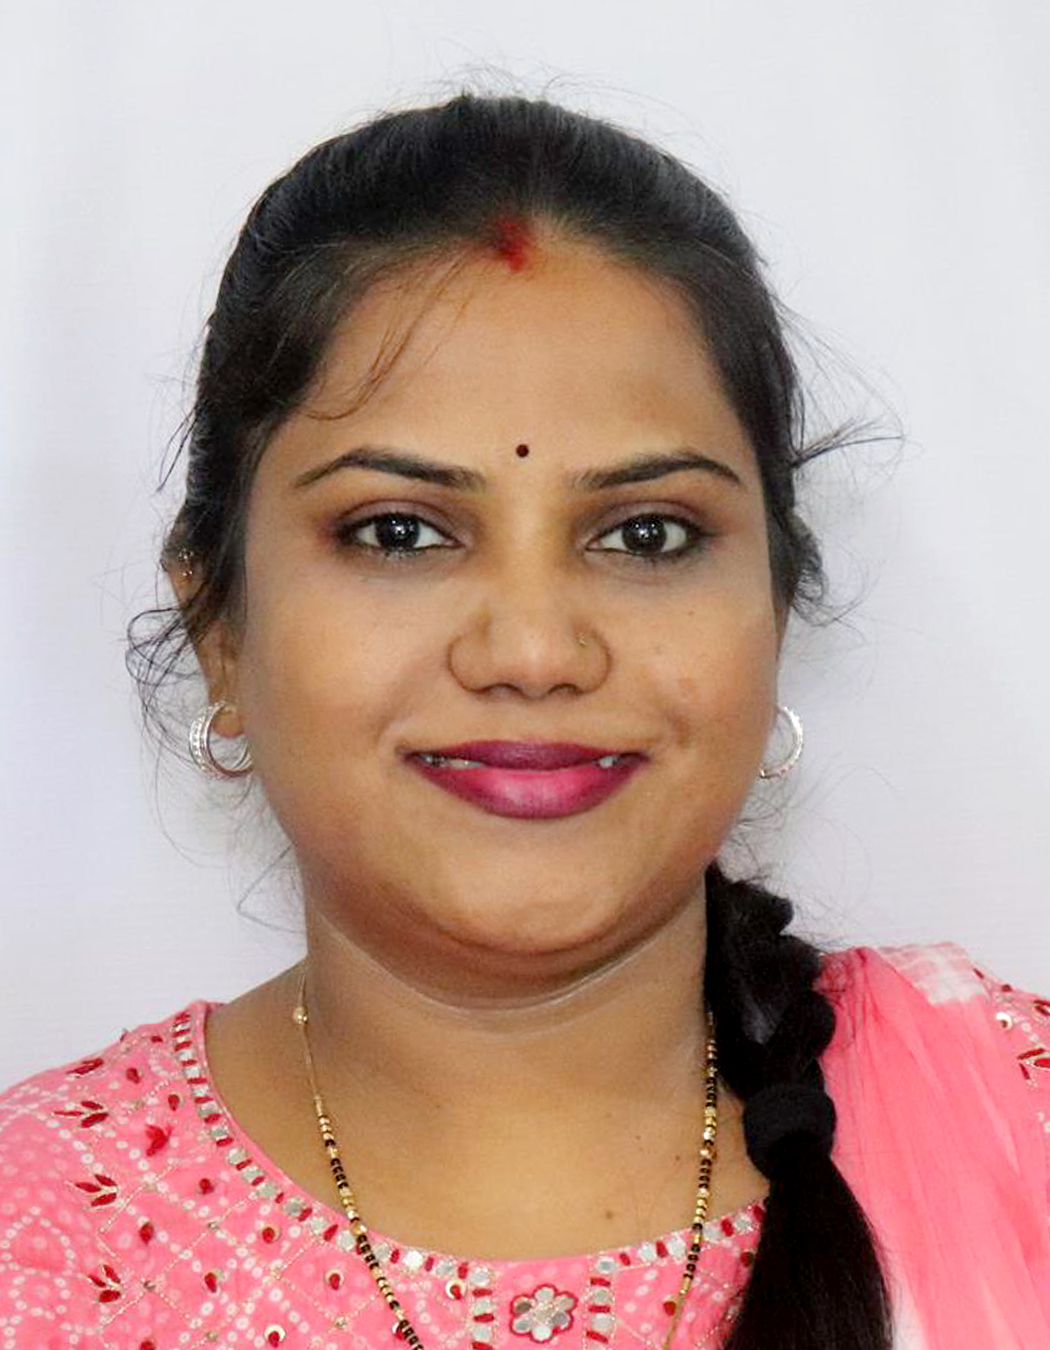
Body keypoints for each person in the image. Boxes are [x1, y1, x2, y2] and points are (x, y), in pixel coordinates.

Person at [0, 92, 1047, 1350]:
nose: (536, 653)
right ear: (219, 625)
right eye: (400, 533)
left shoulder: (1011, 1126)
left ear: (774, 609)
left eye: (645, 535)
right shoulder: (42, 1244)